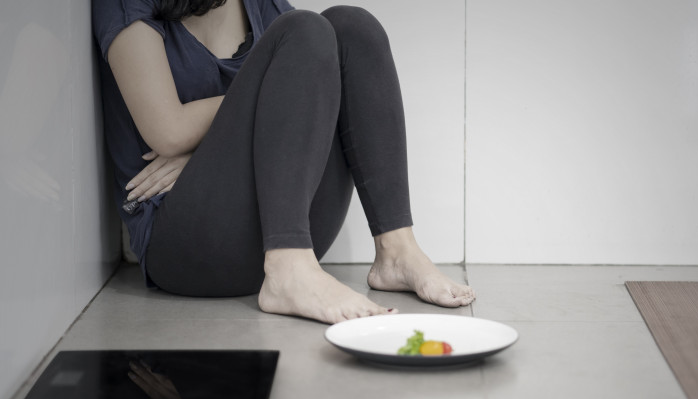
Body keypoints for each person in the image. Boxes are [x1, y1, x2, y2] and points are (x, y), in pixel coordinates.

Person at [92, 0, 476, 324]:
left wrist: (211, 147)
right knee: (306, 31)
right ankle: (288, 272)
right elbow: (167, 130)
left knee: (351, 27)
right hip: (185, 244)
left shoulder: (258, 4)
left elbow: (307, 85)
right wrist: (259, 103)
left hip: (287, 227)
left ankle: (396, 251)